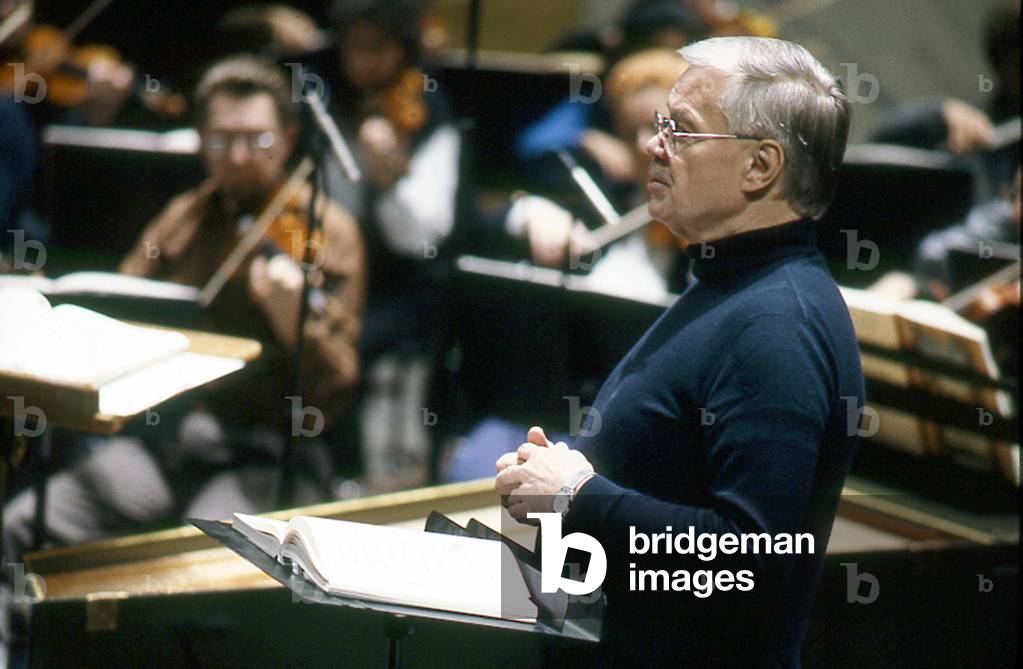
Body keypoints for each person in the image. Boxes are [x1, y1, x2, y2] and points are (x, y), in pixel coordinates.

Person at [496, 36, 863, 667]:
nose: (650, 145)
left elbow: (749, 566)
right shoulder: (726, 282)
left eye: (682, 130)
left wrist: (581, 496)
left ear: (760, 167)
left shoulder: (778, 325)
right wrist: (556, 472)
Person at [2, 54, 366, 562]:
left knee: (199, 558)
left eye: (256, 140)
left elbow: (339, 385)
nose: (237, 156)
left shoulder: (329, 231)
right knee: (25, 526)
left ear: (286, 140)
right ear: (199, 141)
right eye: (221, 139)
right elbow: (118, 307)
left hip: (264, 448)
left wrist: (294, 318)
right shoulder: (184, 217)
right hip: (169, 438)